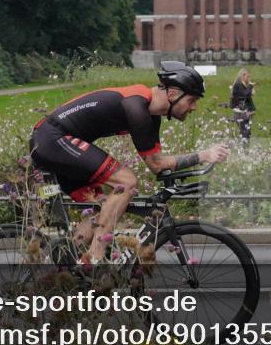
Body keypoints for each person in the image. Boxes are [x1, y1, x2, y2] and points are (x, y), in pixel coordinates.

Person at [28, 61, 229, 265]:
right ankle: (95, 258)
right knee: (126, 182)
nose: (194, 107)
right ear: (173, 93)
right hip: (51, 139)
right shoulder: (136, 107)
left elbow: (156, 164)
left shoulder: (150, 115)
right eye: (192, 100)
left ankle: (68, 266)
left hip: (54, 142)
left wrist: (189, 168)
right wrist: (203, 155)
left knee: (101, 208)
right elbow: (157, 165)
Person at [230, 67, 256, 144]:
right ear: (243, 76)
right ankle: (244, 149)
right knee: (245, 132)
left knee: (246, 132)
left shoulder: (242, 85)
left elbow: (248, 98)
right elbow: (245, 96)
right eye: (248, 76)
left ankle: (244, 148)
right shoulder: (238, 85)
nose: (249, 78)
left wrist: (251, 110)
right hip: (240, 112)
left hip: (244, 112)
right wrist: (250, 86)